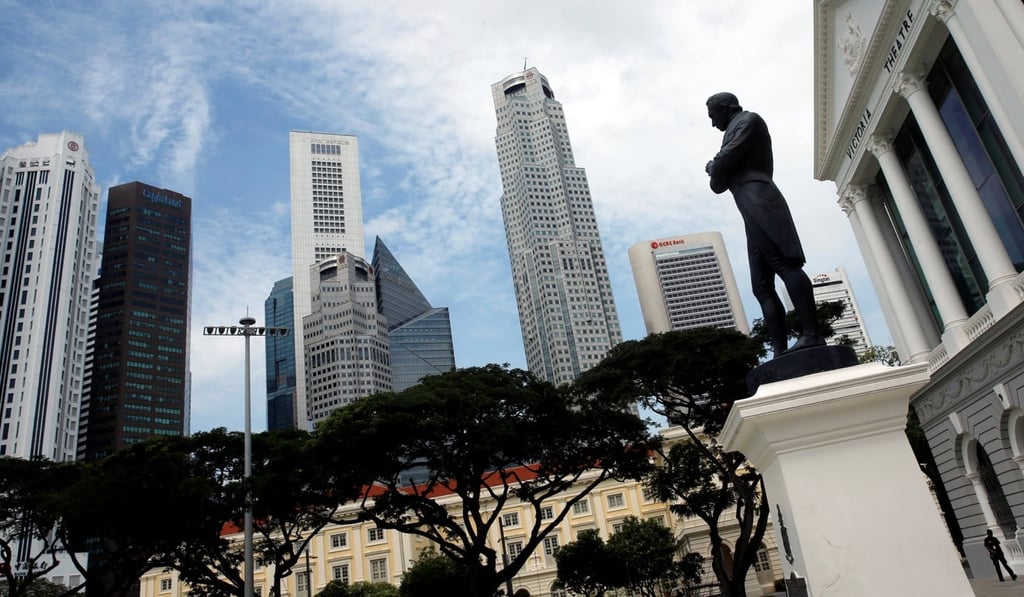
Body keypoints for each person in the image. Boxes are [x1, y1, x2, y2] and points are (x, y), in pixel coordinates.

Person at [705, 92, 825, 358]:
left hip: (760, 197)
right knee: (761, 285)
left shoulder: (749, 121)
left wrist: (715, 165)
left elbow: (724, 163)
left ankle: (812, 334)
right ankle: (780, 351)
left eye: (714, 116)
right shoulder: (733, 130)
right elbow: (718, 184)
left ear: (727, 107)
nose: (713, 123)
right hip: (748, 205)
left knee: (785, 264)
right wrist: (718, 167)